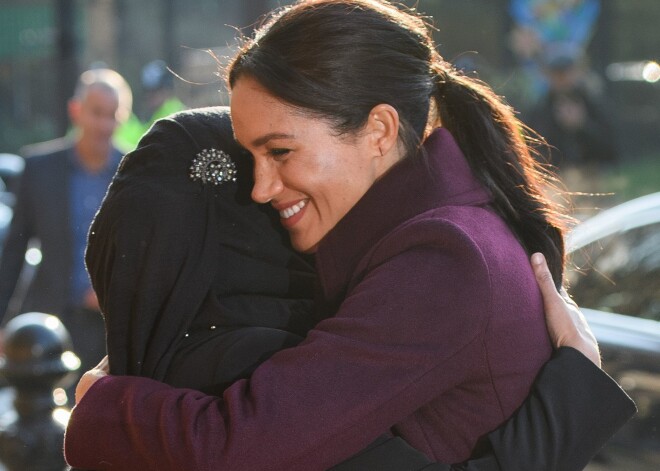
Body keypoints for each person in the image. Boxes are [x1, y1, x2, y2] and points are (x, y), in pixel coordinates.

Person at [64, 1, 635, 469]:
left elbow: (246, 446)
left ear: (379, 130)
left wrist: (104, 406)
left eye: (280, 151)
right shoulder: (443, 229)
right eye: (250, 157)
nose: (260, 188)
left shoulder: (443, 257)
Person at [0, 67, 131, 394]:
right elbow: (14, 251)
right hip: (50, 322)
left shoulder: (134, 170)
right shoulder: (39, 168)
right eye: (96, 113)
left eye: (112, 115)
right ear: (77, 111)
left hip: (110, 327)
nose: (104, 124)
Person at [114, 59, 187, 152]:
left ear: (167, 91)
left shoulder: (174, 116)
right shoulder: (153, 116)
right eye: (148, 91)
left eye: (155, 91)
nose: (150, 96)